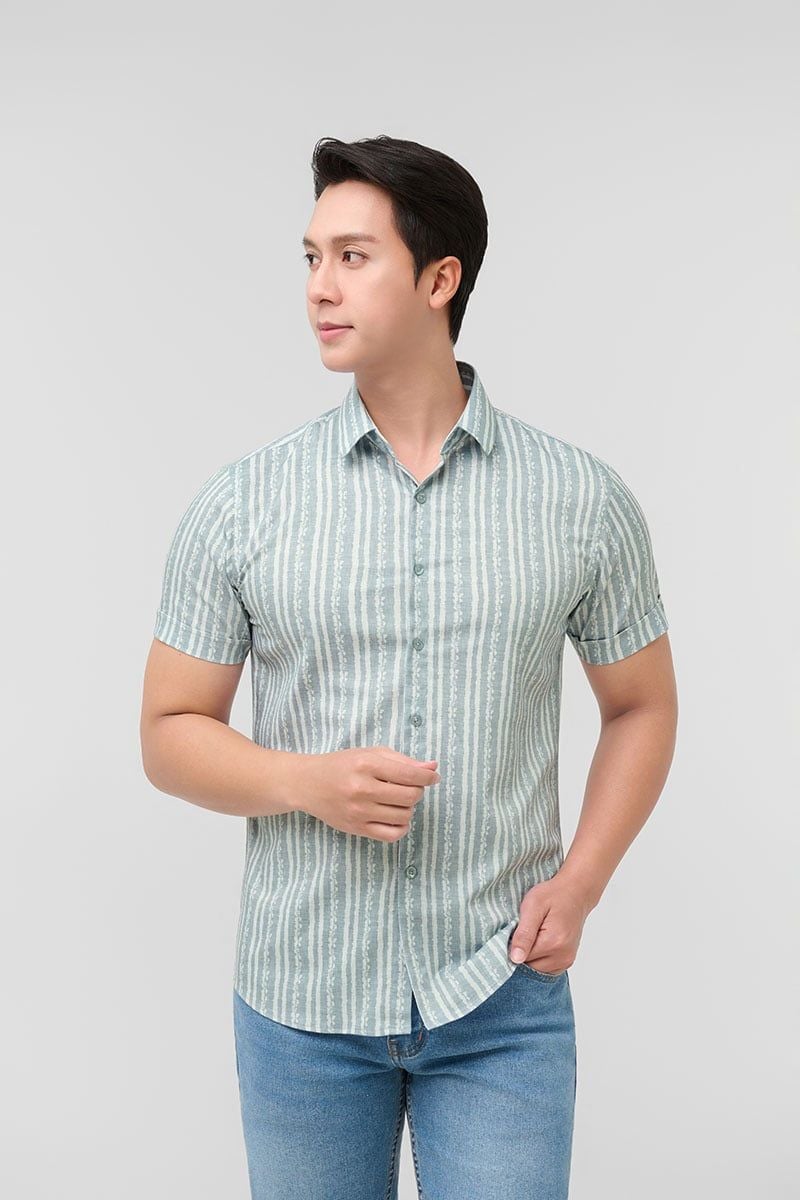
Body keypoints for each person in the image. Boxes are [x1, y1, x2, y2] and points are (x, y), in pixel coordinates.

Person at [140, 134, 678, 1200]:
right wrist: (304, 781)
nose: (318, 288)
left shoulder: (581, 500)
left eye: (352, 257)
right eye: (310, 259)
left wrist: (581, 883)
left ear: (440, 279)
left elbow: (641, 707)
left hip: (501, 996)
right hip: (300, 1004)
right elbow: (167, 732)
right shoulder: (242, 503)